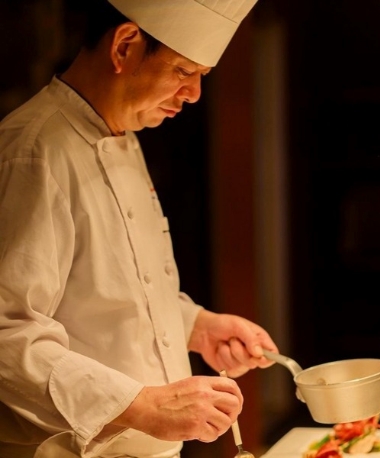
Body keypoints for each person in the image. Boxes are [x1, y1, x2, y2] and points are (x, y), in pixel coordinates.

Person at [0, 0, 279, 457]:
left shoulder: (123, 135)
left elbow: (111, 290)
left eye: (202, 75)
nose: (194, 94)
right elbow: (8, 334)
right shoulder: (33, 151)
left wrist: (197, 326)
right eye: (184, 70)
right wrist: (139, 405)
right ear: (125, 46)